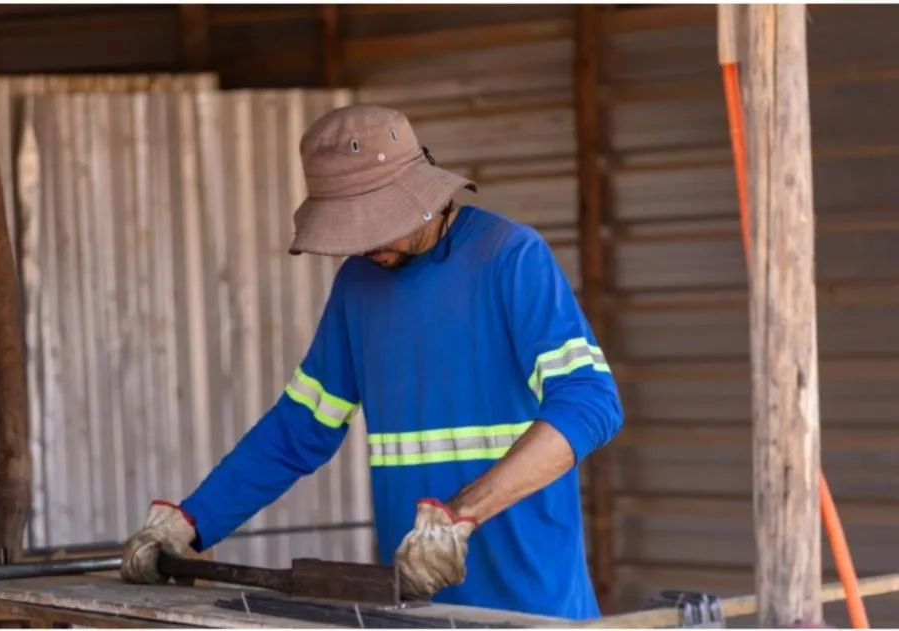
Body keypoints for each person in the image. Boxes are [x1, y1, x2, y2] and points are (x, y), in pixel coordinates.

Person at [118, 104, 624, 620]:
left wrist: (460, 516)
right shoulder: (357, 286)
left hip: (533, 609)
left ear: (421, 197)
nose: (364, 244)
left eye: (375, 225)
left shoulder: (510, 258)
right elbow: (299, 429)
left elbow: (590, 404)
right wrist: (191, 521)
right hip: (416, 609)